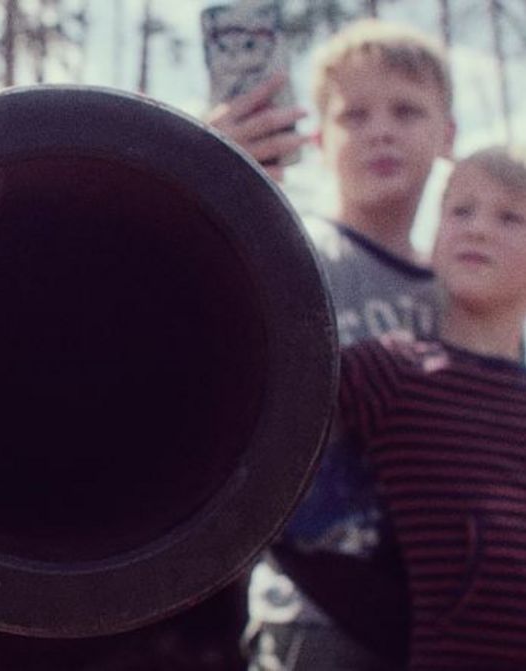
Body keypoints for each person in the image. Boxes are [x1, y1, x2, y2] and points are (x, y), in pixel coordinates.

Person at [208, 19, 457, 669]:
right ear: (319, 139)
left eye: (407, 110)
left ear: (449, 134)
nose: (381, 130)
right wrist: (208, 179)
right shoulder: (290, 254)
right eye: (355, 115)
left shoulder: (464, 293)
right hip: (313, 615)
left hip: (441, 620)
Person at [338, 145, 526, 669]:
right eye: (460, 211)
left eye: (511, 217)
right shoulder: (396, 367)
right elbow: (274, 397)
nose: (478, 229)